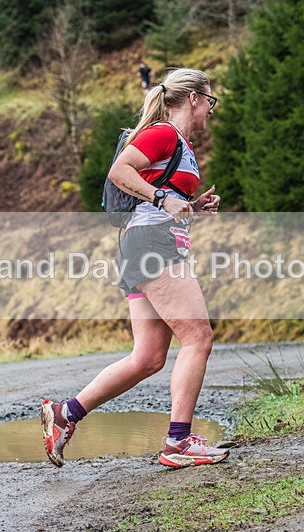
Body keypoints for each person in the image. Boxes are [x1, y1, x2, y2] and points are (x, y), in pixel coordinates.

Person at [41, 68, 226, 468]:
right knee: (198, 337)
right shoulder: (162, 133)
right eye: (209, 102)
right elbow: (120, 172)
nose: (211, 111)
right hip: (152, 246)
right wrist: (163, 198)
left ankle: (65, 414)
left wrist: (190, 206)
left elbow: (153, 196)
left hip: (143, 245)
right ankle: (178, 443)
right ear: (193, 98)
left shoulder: (177, 144)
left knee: (148, 357)